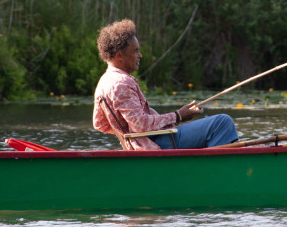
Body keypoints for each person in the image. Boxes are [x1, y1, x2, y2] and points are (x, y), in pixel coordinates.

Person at [93, 19, 238, 150]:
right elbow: (141, 125)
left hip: (151, 140)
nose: (140, 55)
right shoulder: (121, 83)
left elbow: (99, 123)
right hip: (157, 144)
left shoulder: (104, 82)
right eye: (135, 51)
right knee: (222, 123)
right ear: (119, 55)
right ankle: (217, 174)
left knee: (219, 125)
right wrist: (178, 116)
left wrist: (127, 134)